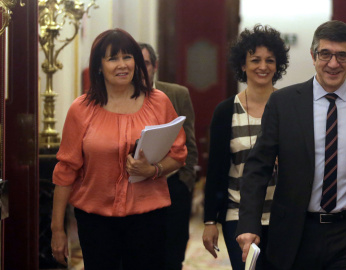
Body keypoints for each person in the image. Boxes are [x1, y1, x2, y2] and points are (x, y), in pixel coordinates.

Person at [236, 20, 346, 270]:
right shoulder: (283, 103)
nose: (333, 64)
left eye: (342, 55)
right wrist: (249, 225)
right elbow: (258, 167)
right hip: (296, 233)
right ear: (313, 55)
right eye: (325, 54)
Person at [50, 28, 187, 270]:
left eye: (127, 57)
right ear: (99, 66)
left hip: (148, 217)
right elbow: (65, 170)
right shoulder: (81, 109)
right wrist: (57, 228)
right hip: (95, 221)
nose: (122, 65)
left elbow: (178, 154)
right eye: (113, 58)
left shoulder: (158, 102)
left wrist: (152, 170)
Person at [202, 24, 289, 270]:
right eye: (255, 60)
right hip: (237, 217)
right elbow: (216, 170)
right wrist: (210, 221)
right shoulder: (226, 111)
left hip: (283, 217)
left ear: (278, 65)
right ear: (243, 64)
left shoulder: (290, 108)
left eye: (270, 60)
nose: (263, 66)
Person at [139, 42, 198, 270]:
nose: (141, 69)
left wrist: (184, 184)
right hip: (138, 189)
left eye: (145, 63)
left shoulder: (176, 94)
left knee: (172, 256)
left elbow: (190, 145)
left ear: (155, 65)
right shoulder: (121, 97)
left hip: (173, 187)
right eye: (136, 63)